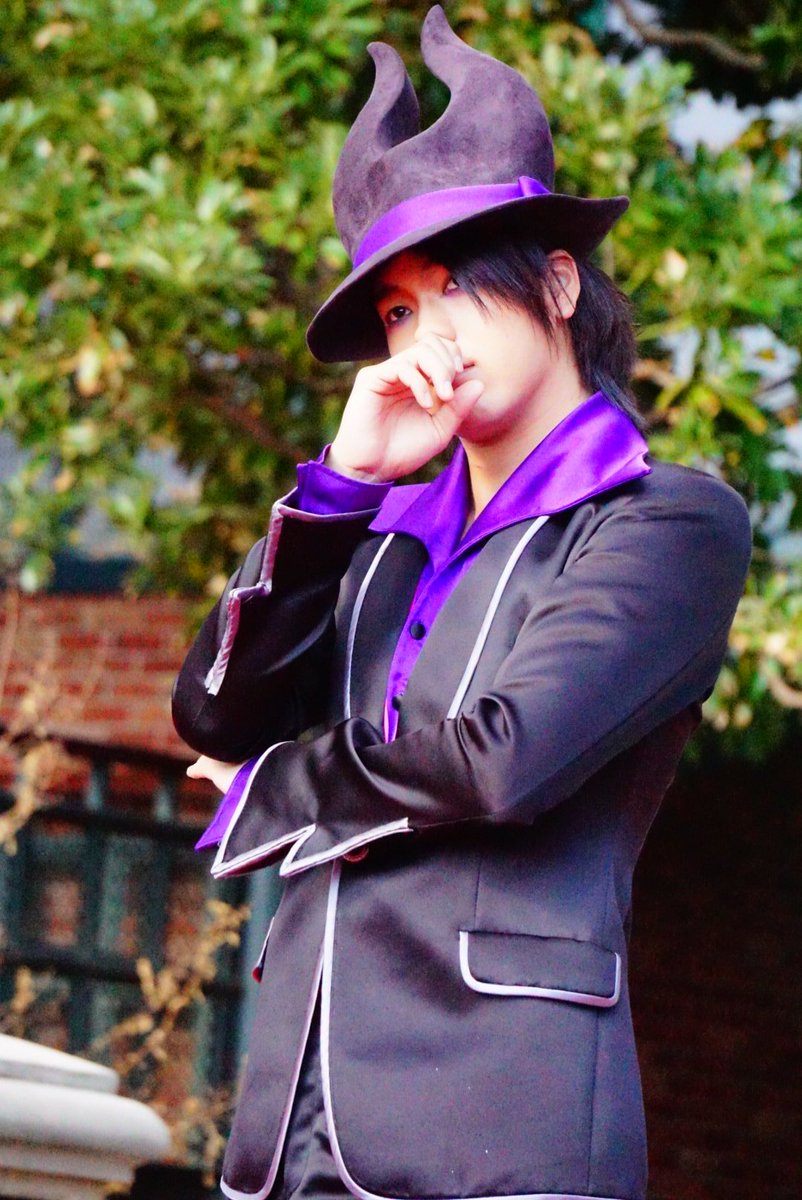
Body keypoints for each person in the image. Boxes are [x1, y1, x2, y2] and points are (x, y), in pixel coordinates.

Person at [172, 8, 751, 1200]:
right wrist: (342, 485)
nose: (424, 335)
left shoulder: (665, 524)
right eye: (396, 311)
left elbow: (501, 760)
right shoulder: (375, 533)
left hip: (498, 1128)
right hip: (288, 1129)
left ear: (556, 283)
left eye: (454, 288)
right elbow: (215, 712)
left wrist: (273, 788)